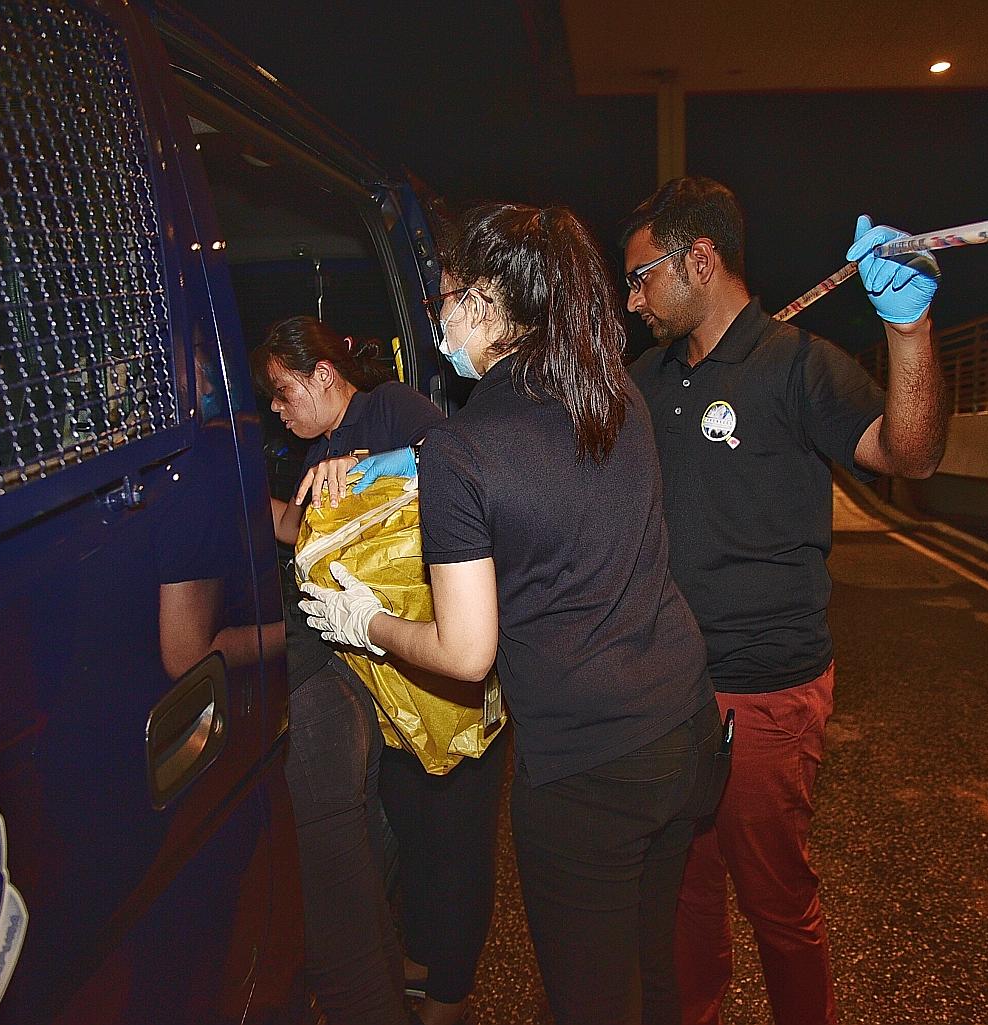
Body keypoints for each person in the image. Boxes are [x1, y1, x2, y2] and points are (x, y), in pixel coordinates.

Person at [299, 203, 726, 1025]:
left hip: (584, 768)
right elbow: (543, 468)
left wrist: (364, 623)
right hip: (683, 726)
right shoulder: (614, 391)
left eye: (447, 298)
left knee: (593, 997)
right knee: (653, 962)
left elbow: (465, 652)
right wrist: (416, 456)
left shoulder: (468, 450)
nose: (439, 319)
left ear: (489, 303)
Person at [620, 177, 947, 1025]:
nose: (632, 298)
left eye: (641, 275)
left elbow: (908, 453)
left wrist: (907, 329)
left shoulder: (800, 365)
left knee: (775, 898)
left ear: (700, 259)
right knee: (686, 895)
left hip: (765, 689)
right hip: (672, 691)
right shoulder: (648, 379)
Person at [253, 315, 442, 1025]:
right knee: (370, 863)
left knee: (417, 851)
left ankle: (428, 981)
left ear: (323, 377)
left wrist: (368, 469)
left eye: (282, 393)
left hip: (415, 664)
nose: (276, 410)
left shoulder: (387, 406)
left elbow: (457, 458)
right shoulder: (316, 448)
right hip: (360, 673)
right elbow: (295, 526)